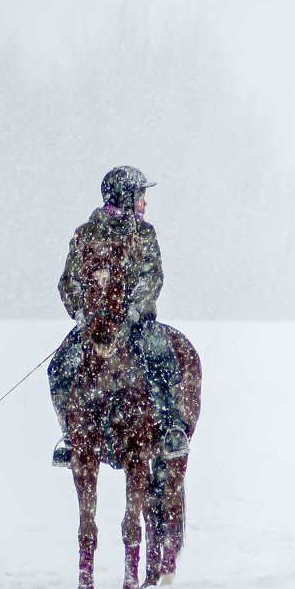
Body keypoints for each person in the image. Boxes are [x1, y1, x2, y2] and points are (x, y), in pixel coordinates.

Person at [47, 165, 189, 467]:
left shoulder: (145, 233)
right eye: (140, 196)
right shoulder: (84, 235)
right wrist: (82, 312)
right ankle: (69, 436)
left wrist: (134, 309)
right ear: (125, 198)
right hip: (95, 325)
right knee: (59, 368)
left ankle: (171, 427)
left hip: (138, 323)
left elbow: (153, 276)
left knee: (162, 356)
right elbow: (69, 280)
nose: (145, 203)